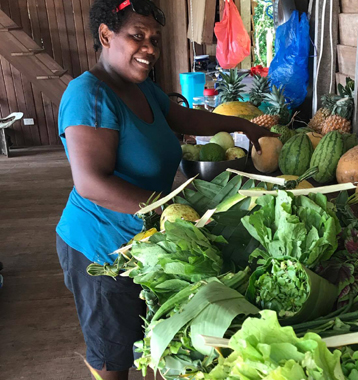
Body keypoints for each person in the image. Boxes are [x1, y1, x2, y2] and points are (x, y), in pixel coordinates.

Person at [55, 1, 276, 379]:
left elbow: (185, 116)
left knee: (142, 337)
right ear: (106, 36)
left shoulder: (142, 90)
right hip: (100, 247)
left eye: (154, 39)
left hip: (142, 241)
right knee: (113, 354)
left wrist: (248, 128)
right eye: (137, 36)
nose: (150, 48)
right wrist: (166, 209)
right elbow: (91, 183)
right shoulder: (89, 94)